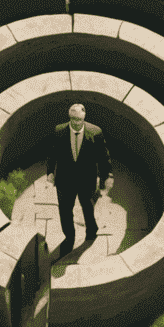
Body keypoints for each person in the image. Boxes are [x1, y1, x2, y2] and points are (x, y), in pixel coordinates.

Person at [47, 102, 111, 253]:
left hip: (86, 180)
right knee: (65, 211)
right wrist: (50, 171)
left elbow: (103, 156)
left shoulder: (95, 132)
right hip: (64, 181)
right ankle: (69, 238)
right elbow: (52, 153)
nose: (76, 123)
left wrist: (106, 176)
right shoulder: (59, 131)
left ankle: (91, 231)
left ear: (84, 118)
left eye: (79, 120)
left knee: (88, 208)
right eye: (73, 119)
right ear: (69, 118)